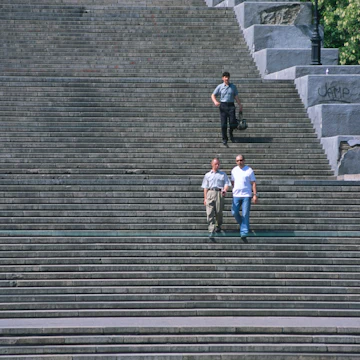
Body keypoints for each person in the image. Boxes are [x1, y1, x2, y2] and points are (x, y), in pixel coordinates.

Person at [202, 158, 231, 238]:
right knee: (209, 212)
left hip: (219, 193)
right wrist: (205, 198)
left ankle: (218, 225)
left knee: (219, 212)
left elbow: (226, 183)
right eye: (216, 164)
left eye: (218, 164)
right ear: (212, 164)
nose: (217, 165)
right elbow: (205, 187)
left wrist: (225, 190)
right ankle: (211, 230)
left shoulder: (222, 174)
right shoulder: (207, 175)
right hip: (210, 193)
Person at [211, 71, 243, 145]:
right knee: (223, 124)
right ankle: (224, 138)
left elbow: (236, 96)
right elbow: (213, 95)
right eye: (225, 77)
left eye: (228, 77)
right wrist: (215, 102)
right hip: (223, 105)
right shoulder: (220, 86)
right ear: (223, 78)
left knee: (232, 122)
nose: (227, 78)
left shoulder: (233, 87)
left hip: (231, 105)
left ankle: (230, 132)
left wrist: (240, 105)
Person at [231, 154, 258, 240]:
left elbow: (253, 183)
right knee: (234, 212)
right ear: (236, 162)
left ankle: (244, 231)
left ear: (244, 160)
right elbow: (232, 182)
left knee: (245, 213)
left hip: (246, 195)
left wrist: (255, 195)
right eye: (238, 160)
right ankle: (243, 225)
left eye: (241, 160)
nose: (240, 162)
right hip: (236, 195)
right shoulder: (234, 170)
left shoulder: (249, 170)